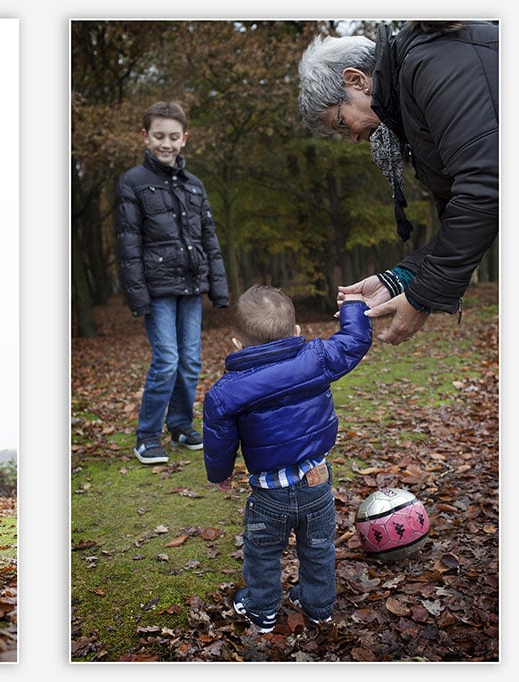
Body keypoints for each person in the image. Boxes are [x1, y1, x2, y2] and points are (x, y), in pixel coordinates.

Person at [298, 21, 498, 346]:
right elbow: (461, 214)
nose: (352, 138)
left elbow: (486, 187)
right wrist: (398, 279)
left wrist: (421, 297)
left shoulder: (431, 65)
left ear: (357, 80)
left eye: (341, 123)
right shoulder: (410, 109)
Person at [202, 285, 372, 632]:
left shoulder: (226, 391)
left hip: (269, 495)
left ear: (237, 345)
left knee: (262, 553)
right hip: (317, 485)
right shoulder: (316, 359)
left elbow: (219, 439)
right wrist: (353, 306)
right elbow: (354, 342)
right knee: (318, 548)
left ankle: (262, 610)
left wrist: (220, 473)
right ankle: (318, 606)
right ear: (296, 331)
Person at [114, 101, 229, 465]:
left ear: (184, 139)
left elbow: (208, 236)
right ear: (145, 137)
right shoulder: (133, 182)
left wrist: (218, 287)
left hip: (191, 285)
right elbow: (128, 243)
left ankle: (180, 425)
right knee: (166, 360)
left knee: (191, 361)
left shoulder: (194, 186)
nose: (167, 143)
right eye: (159, 136)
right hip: (157, 288)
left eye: (174, 137)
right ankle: (147, 436)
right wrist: (137, 295)